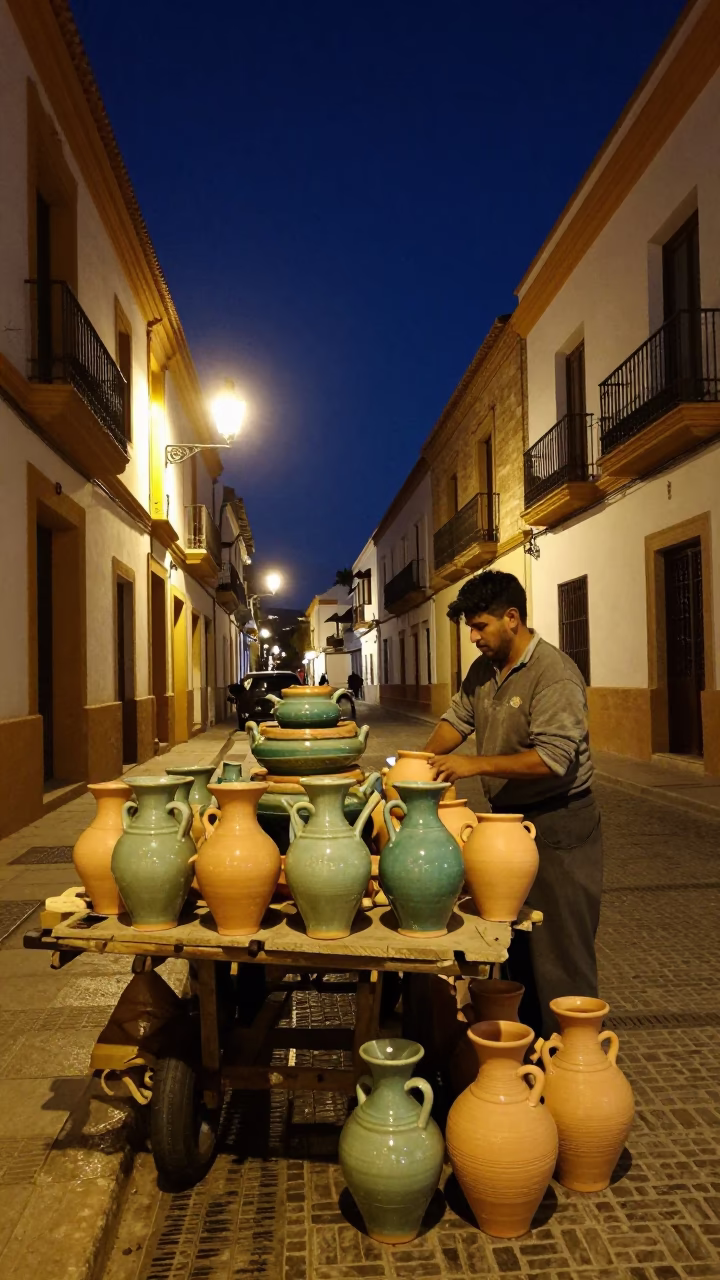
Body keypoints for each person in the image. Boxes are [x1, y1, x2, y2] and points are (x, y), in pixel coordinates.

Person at [423, 569, 602, 1040]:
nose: (474, 638)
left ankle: (570, 1062)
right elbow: (455, 722)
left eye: (481, 627)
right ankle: (523, 1057)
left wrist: (474, 765)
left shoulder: (555, 675)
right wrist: (420, 762)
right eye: (470, 630)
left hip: (560, 825)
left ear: (512, 618)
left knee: (560, 954)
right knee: (514, 947)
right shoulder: (483, 671)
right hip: (508, 825)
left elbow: (553, 759)